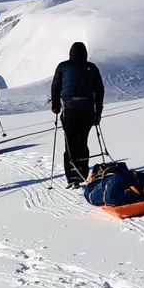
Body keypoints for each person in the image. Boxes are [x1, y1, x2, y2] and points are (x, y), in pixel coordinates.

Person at [49, 41, 105, 187]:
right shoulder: (91, 67)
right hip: (87, 111)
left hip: (70, 111)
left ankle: (73, 177)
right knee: (83, 142)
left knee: (70, 143)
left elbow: (55, 87)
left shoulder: (63, 66)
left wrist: (55, 105)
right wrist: (98, 112)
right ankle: (82, 173)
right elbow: (99, 90)